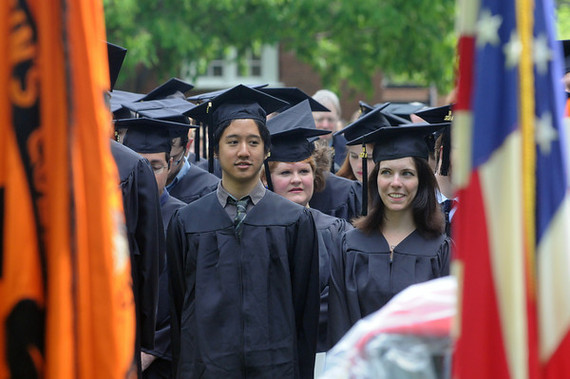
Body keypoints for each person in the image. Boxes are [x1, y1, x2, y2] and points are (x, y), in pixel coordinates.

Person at [168, 85, 320, 377]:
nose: (243, 152)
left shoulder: (294, 221)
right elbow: (178, 309)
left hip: (276, 369)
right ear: (215, 148)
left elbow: (304, 313)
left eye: (253, 142)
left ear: (267, 149)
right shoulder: (187, 222)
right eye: (232, 141)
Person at [327, 124, 451, 347]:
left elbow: (445, 332)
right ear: (375, 179)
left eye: (407, 173)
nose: (396, 183)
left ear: (421, 181)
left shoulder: (440, 250)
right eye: (386, 172)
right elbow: (339, 326)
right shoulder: (347, 246)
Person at [261, 100, 354, 352]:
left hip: (323, 352)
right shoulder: (254, 231)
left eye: (304, 171)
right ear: (266, 180)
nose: (296, 180)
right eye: (284, 173)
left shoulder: (339, 232)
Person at [120, 117, 190, 378]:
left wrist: (150, 351)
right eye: (139, 165)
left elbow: (192, 299)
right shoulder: (105, 220)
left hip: (165, 362)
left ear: (171, 165)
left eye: (155, 167)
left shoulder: (187, 221)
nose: (146, 176)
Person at [312, 89, 347, 169]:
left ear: (338, 118)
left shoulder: (347, 149)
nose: (325, 125)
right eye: (320, 119)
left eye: (330, 119)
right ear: (311, 118)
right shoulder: (301, 148)